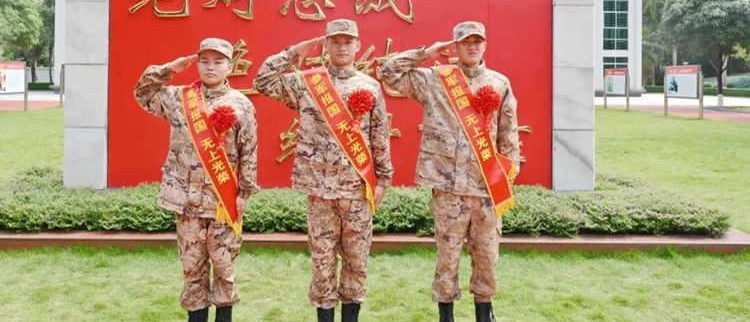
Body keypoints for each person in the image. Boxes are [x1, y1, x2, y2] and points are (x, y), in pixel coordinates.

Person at [253, 19, 393, 322]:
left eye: (348, 42)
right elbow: (262, 81)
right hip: (320, 190)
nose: (342, 47)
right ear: (326, 45)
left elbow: (379, 135)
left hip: (357, 190)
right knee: (322, 261)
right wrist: (295, 52)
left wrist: (383, 179)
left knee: (356, 262)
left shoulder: (370, 87)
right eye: (335, 42)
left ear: (358, 46)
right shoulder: (307, 82)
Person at [380, 21, 520, 322]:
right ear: (454, 46)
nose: (472, 47)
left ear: (485, 45)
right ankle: (446, 315)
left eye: (477, 41)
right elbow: (389, 72)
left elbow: (508, 133)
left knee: (487, 256)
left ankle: (484, 313)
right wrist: (426, 53)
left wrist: (508, 175)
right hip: (448, 187)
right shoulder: (435, 79)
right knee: (447, 257)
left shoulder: (499, 83)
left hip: (486, 187)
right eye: (465, 42)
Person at [135, 38, 259, 322]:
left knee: (224, 268)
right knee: (192, 269)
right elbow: (142, 92)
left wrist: (244, 193)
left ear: (230, 66)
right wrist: (169, 69)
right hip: (187, 202)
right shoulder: (179, 98)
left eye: (218, 62)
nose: (210, 67)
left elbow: (249, 151)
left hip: (222, 202)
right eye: (205, 61)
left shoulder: (241, 104)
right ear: (198, 64)